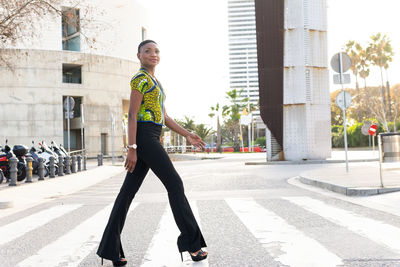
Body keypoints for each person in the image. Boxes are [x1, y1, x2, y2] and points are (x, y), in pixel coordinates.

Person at [97, 40, 208, 266]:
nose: (153, 54)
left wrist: (187, 134)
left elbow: (164, 117)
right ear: (139, 55)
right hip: (145, 138)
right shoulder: (140, 79)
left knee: (126, 194)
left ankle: (110, 249)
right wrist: (132, 148)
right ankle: (193, 244)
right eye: (147, 51)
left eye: (156, 51)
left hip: (151, 136)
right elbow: (132, 114)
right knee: (175, 185)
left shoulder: (155, 82)